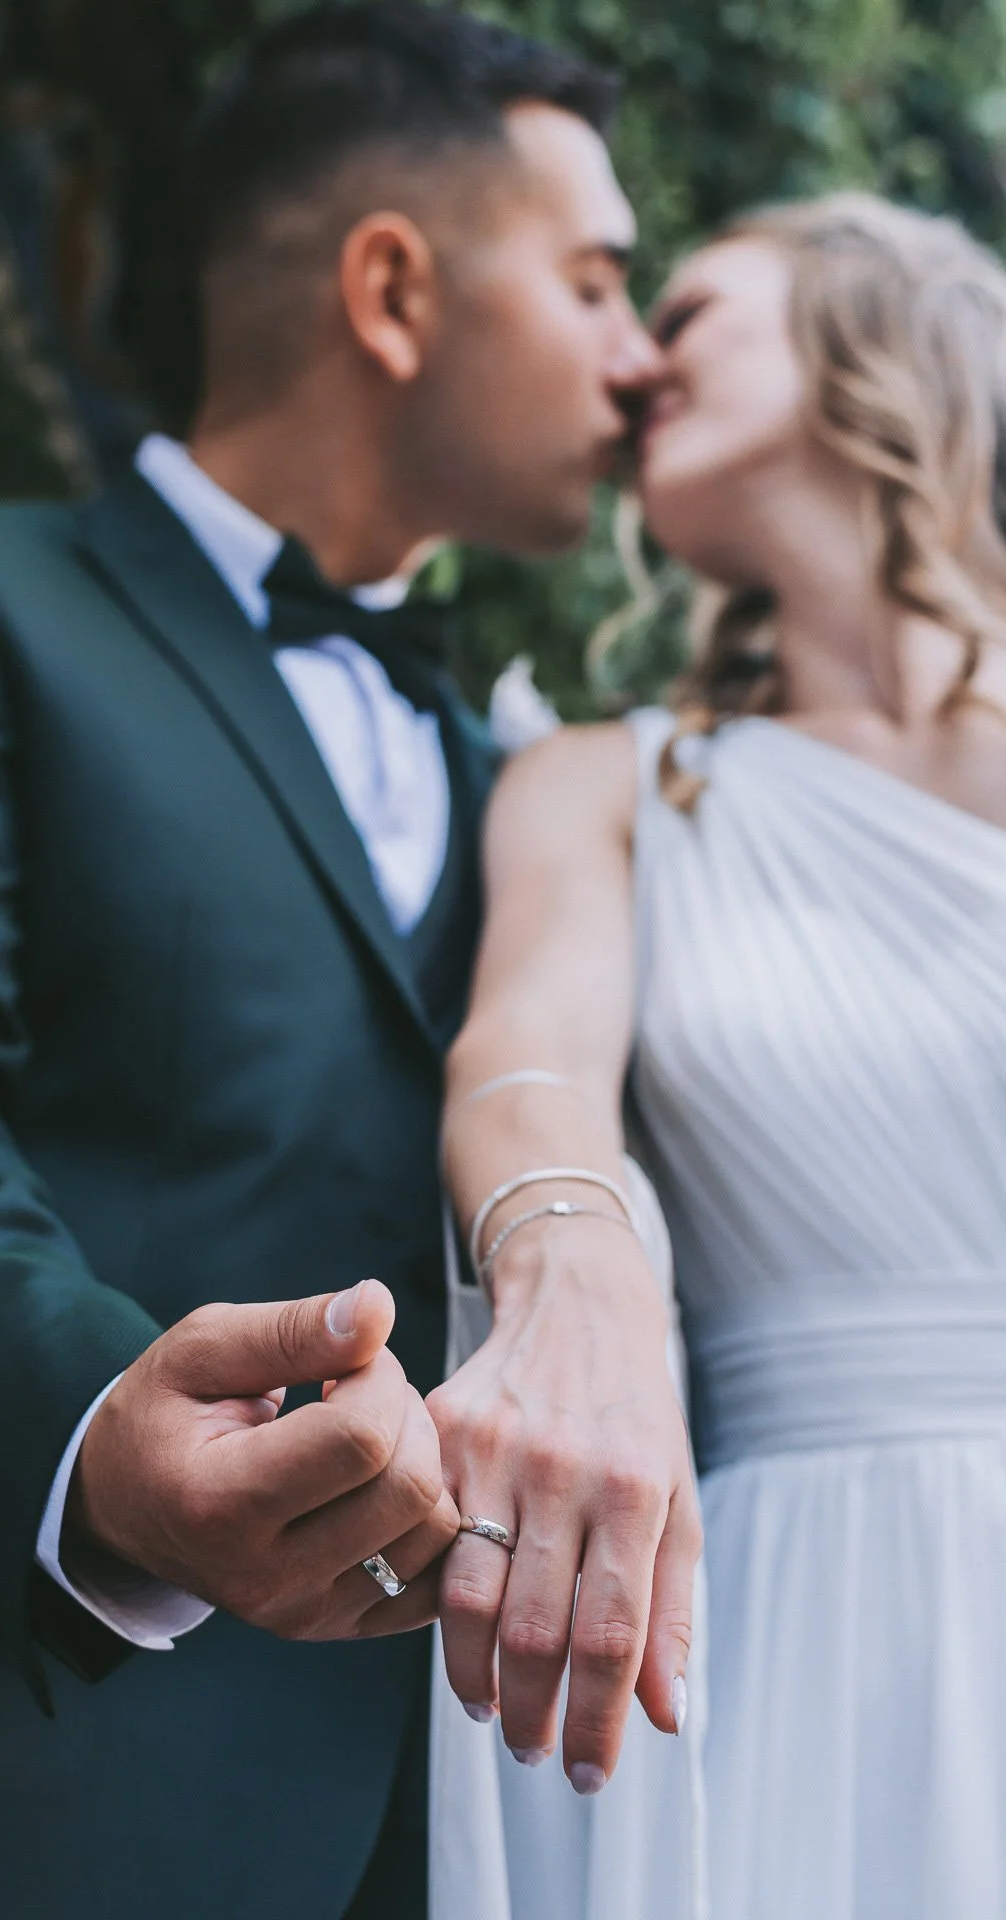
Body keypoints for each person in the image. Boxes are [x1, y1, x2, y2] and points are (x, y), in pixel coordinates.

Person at [0, 7, 676, 1917]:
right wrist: (90, 1429)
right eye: (592, 283)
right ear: (393, 288)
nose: (637, 361)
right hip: (9, 1791)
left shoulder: (544, 792)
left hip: (494, 1824)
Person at [434, 189, 1006, 1919]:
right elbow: (527, 1053)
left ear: (875, 330)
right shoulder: (607, 784)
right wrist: (571, 1257)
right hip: (791, 1624)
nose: (631, 365)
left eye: (685, 313)